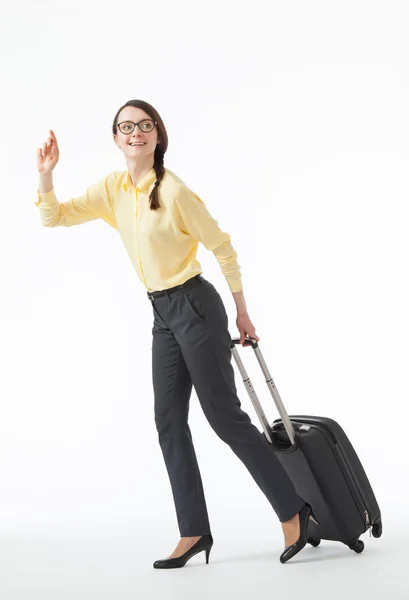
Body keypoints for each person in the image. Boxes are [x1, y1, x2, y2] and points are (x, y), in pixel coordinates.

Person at [35, 99, 318, 569]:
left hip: (195, 306)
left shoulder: (175, 190)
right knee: (168, 421)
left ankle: (295, 513)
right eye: (126, 127)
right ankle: (194, 531)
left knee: (225, 418)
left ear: (158, 136)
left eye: (145, 126)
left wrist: (241, 311)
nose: (136, 133)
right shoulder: (113, 189)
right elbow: (54, 216)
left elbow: (222, 247)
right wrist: (46, 175)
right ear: (116, 137)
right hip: (162, 313)